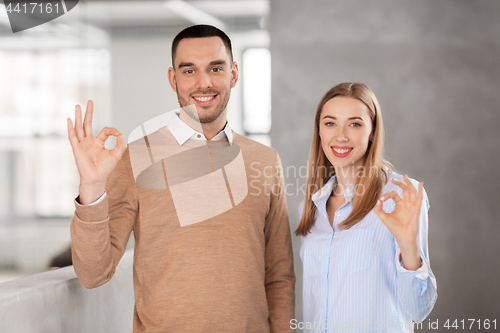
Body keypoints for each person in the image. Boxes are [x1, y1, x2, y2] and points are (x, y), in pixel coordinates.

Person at [67, 25, 295, 333]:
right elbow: (94, 273)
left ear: (234, 74)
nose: (204, 82)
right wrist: (92, 187)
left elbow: (279, 275)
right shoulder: (134, 159)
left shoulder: (265, 161)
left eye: (216, 68)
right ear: (173, 78)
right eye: (189, 71)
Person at [296, 83, 437, 332]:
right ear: (319, 131)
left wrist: (408, 247)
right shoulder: (311, 207)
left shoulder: (401, 196)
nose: (340, 136)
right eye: (330, 123)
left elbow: (419, 310)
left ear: (372, 130)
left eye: (354, 124)